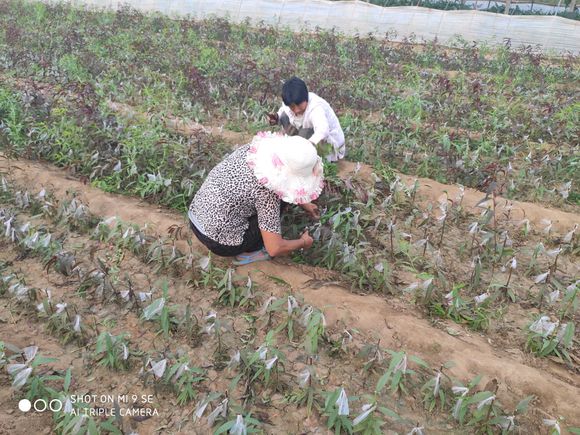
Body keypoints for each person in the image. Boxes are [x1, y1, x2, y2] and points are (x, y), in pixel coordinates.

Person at [188, 132, 323, 265]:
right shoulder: (268, 192)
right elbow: (275, 248)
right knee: (281, 200)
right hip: (220, 243)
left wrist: (305, 203)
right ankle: (253, 251)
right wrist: (303, 242)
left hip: (196, 217)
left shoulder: (252, 150)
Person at [267, 77, 345, 162]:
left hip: (328, 145)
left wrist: (306, 146)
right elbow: (284, 111)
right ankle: (296, 150)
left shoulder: (316, 107)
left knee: (305, 133)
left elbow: (323, 131)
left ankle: (309, 158)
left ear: (305, 97)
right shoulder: (289, 102)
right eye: (292, 107)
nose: (296, 110)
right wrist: (276, 118)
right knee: (283, 117)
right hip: (303, 133)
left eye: (299, 105)